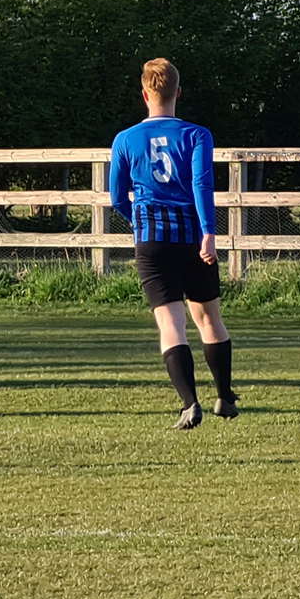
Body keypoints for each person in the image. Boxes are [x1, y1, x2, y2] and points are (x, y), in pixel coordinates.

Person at [107, 57, 235, 429]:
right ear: (178, 92)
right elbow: (201, 184)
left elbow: (117, 197)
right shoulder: (197, 135)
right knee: (208, 317)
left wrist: (139, 223)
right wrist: (209, 232)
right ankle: (224, 397)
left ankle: (189, 403)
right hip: (193, 237)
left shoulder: (125, 139)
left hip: (152, 240)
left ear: (145, 94)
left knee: (171, 324)